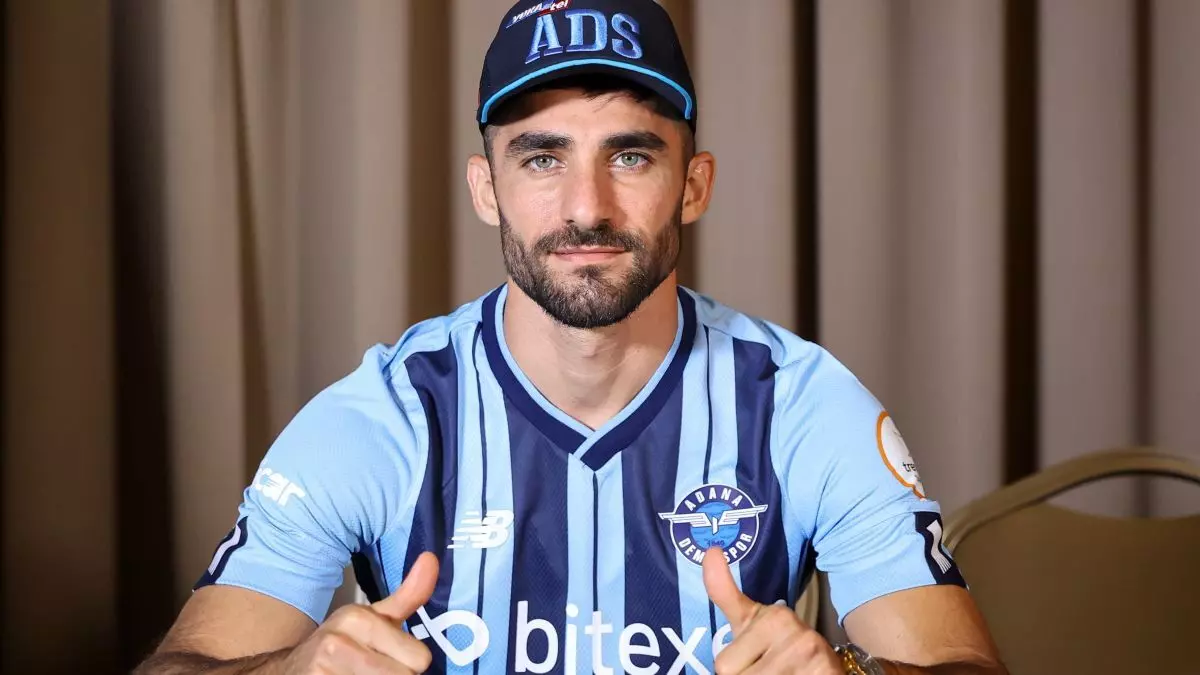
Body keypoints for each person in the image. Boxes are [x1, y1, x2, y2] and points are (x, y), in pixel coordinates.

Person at [137, 1, 1008, 673]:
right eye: (542, 157)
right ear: (487, 189)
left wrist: (851, 673)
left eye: (630, 155)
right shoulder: (382, 417)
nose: (587, 207)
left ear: (694, 184)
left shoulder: (802, 405)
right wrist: (290, 669)